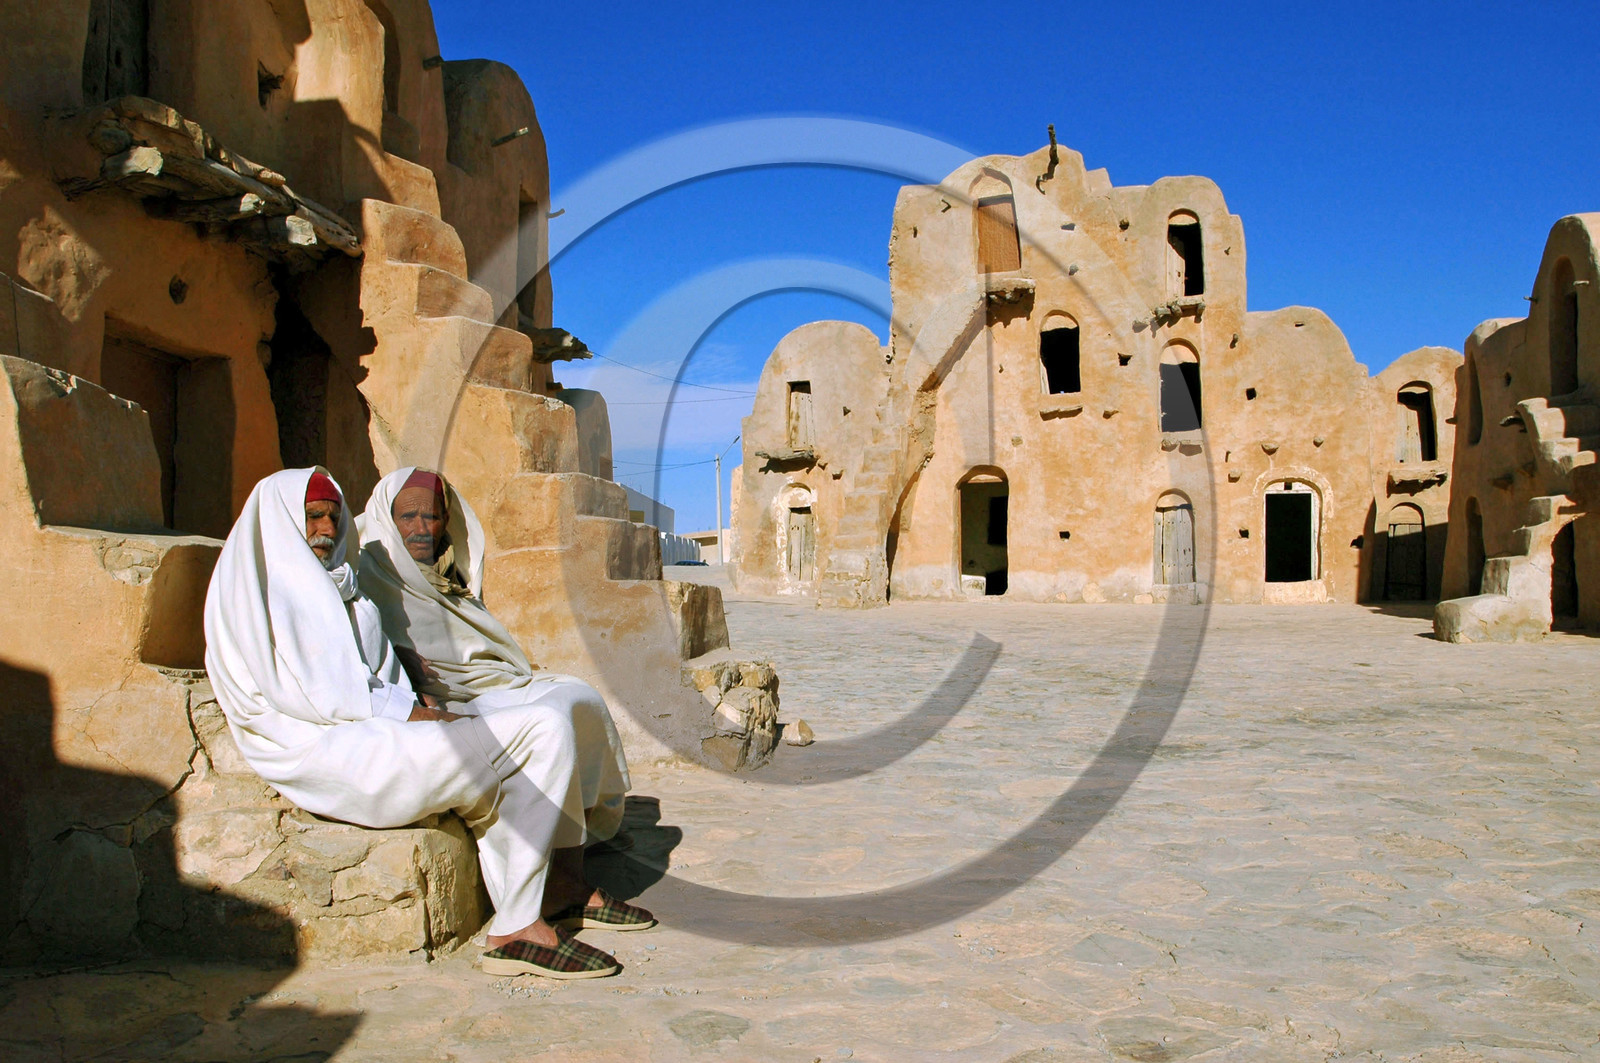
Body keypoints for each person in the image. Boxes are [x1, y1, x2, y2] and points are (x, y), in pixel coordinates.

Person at [203, 467, 639, 980]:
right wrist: (421, 715)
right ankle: (517, 930)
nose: (326, 529)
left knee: (551, 718)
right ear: (282, 520)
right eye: (313, 516)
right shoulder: (272, 589)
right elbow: (324, 696)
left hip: (372, 731)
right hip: (327, 750)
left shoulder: (336, 584)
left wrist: (412, 692)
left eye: (333, 517)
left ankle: (549, 896)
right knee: (542, 730)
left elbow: (367, 672)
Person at [355, 468, 649, 936]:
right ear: (388, 520)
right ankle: (550, 891)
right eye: (407, 517)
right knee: (550, 721)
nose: (420, 528)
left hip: (494, 684)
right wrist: (399, 659)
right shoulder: (367, 569)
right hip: (447, 699)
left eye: (431, 517)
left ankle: (568, 876)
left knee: (581, 699)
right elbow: (359, 643)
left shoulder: (448, 571)